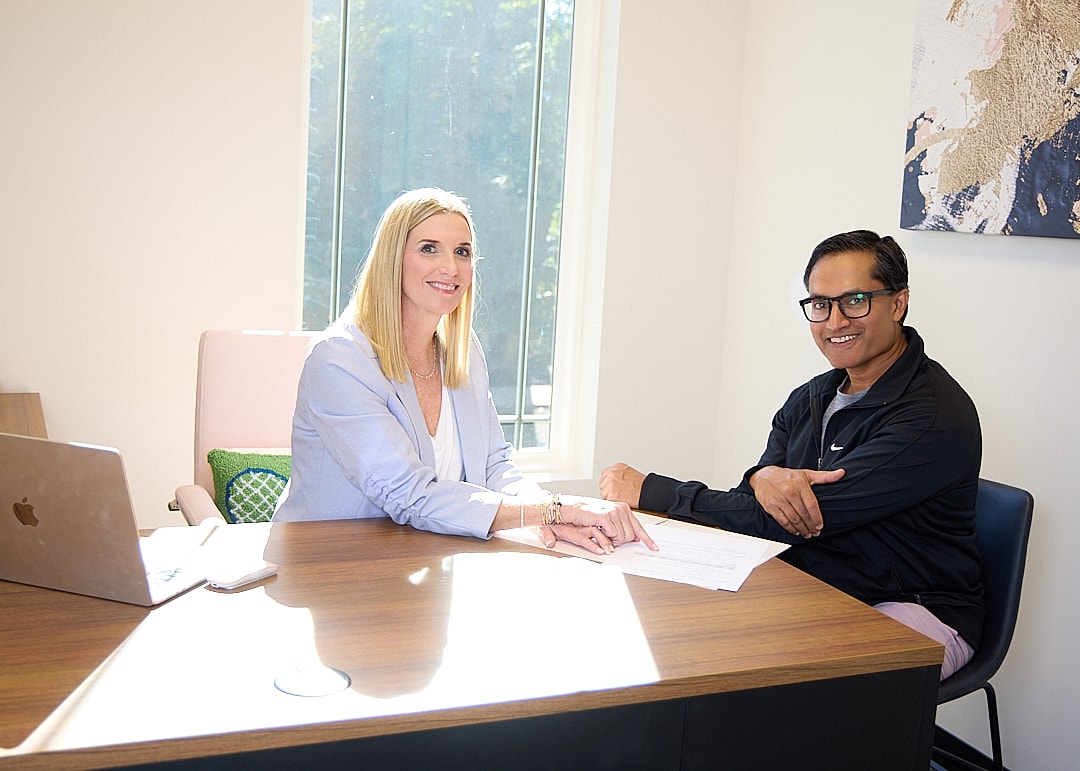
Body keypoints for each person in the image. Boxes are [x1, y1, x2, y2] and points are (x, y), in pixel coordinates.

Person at [600, 230, 982, 680]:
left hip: (914, 606)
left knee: (773, 685)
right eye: (821, 304)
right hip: (823, 581)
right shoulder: (812, 397)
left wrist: (651, 489)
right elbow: (754, 504)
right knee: (672, 627)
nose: (835, 321)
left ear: (898, 303)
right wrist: (762, 477)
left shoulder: (931, 416)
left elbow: (791, 518)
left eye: (855, 300)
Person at [274, 187, 656, 555]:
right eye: (429, 249)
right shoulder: (338, 359)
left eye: (462, 252)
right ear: (393, 259)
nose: (450, 267)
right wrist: (557, 510)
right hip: (325, 565)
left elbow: (494, 465)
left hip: (424, 562)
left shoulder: (462, 350)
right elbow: (408, 494)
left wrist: (550, 513)